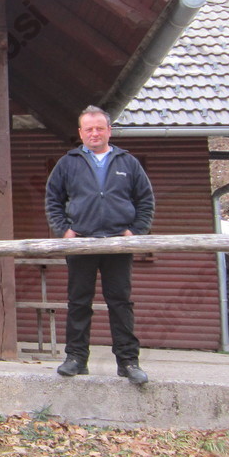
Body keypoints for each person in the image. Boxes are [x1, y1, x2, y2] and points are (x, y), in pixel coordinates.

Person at [45, 105, 155, 385]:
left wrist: (135, 231)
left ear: (109, 131)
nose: (94, 133)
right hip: (81, 243)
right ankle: (76, 359)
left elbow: (145, 200)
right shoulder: (68, 163)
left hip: (118, 244)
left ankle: (128, 362)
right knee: (79, 302)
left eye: (99, 128)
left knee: (120, 302)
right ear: (81, 133)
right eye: (89, 129)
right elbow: (53, 199)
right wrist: (64, 231)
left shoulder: (128, 162)